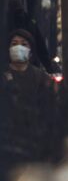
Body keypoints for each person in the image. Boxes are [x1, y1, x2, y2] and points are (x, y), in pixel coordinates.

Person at [3, 29, 56, 162]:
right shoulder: (3, 76)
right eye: (14, 44)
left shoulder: (40, 78)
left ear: (31, 51)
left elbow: (49, 109)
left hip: (34, 140)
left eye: (24, 44)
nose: (18, 47)